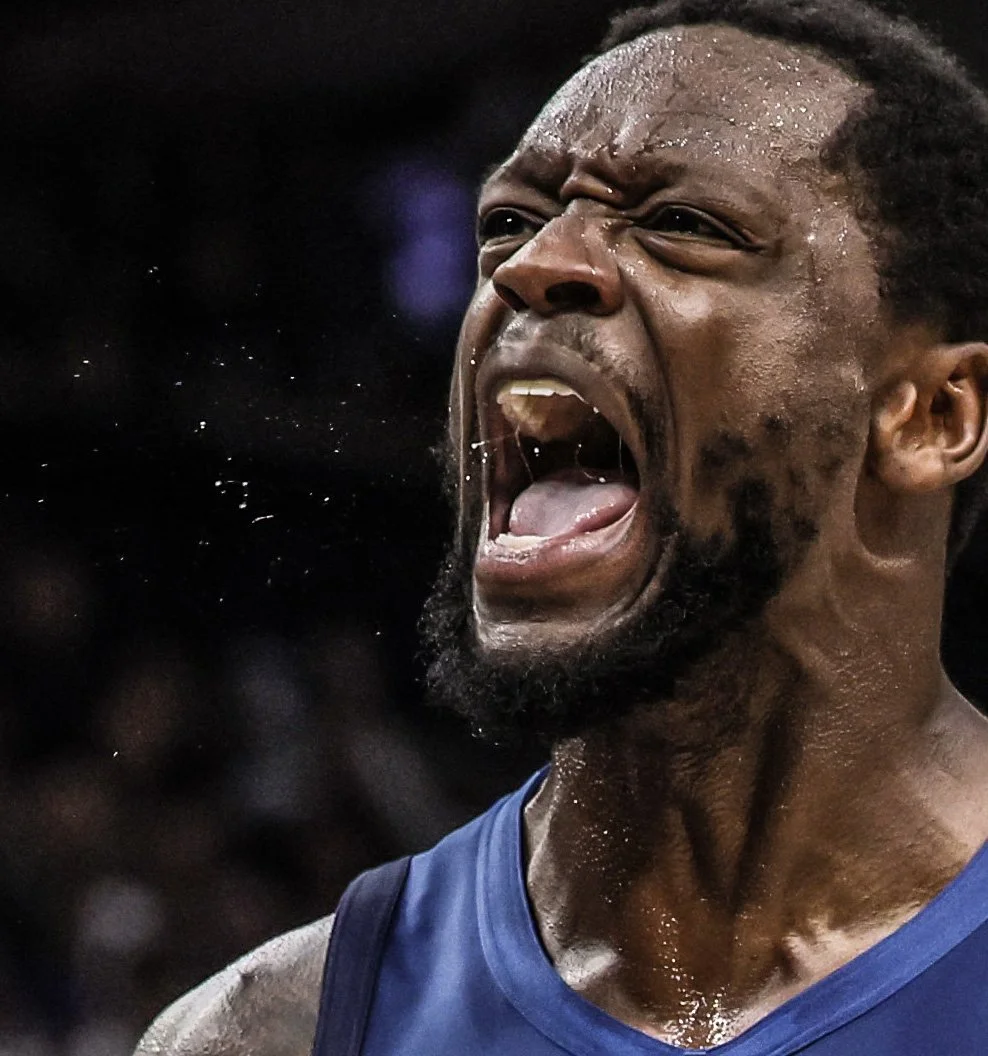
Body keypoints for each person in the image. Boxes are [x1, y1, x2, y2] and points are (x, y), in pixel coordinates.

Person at [135, 0, 988, 1051]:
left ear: (928, 416)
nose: (532, 264)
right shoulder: (272, 1032)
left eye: (683, 224)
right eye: (508, 221)